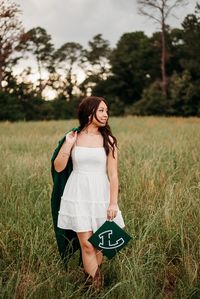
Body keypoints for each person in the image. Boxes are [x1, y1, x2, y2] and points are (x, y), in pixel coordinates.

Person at [52, 96, 125, 292]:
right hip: (77, 194)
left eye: (106, 111)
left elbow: (113, 174)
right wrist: (67, 145)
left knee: (100, 244)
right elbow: (58, 168)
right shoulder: (73, 137)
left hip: (100, 194)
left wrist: (113, 203)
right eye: (101, 110)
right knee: (86, 244)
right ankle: (96, 289)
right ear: (89, 112)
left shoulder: (108, 140)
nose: (105, 114)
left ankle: (90, 279)